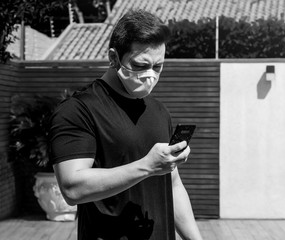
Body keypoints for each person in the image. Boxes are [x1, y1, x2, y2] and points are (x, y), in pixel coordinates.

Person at [49, 9, 203, 240]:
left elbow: (172, 185)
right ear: (113, 57)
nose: (150, 75)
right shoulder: (78, 110)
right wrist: (147, 166)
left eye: (158, 66)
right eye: (140, 65)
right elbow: (72, 188)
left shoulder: (159, 112)